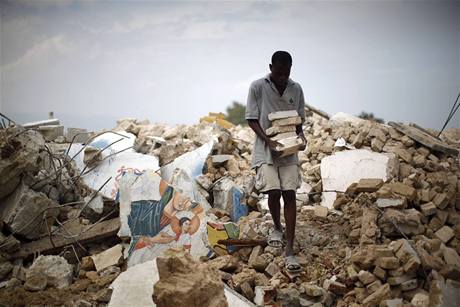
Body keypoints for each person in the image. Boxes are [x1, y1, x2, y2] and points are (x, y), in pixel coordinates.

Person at [245, 51, 306, 273]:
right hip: (266, 149)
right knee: (274, 192)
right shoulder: (257, 87)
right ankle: (277, 228)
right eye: (278, 73)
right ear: (271, 67)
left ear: (291, 69)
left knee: (289, 194)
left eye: (286, 73)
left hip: (289, 151)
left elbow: (298, 121)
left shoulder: (296, 89)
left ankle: (289, 248)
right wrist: (268, 141)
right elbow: (251, 119)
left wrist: (301, 138)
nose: (282, 77)